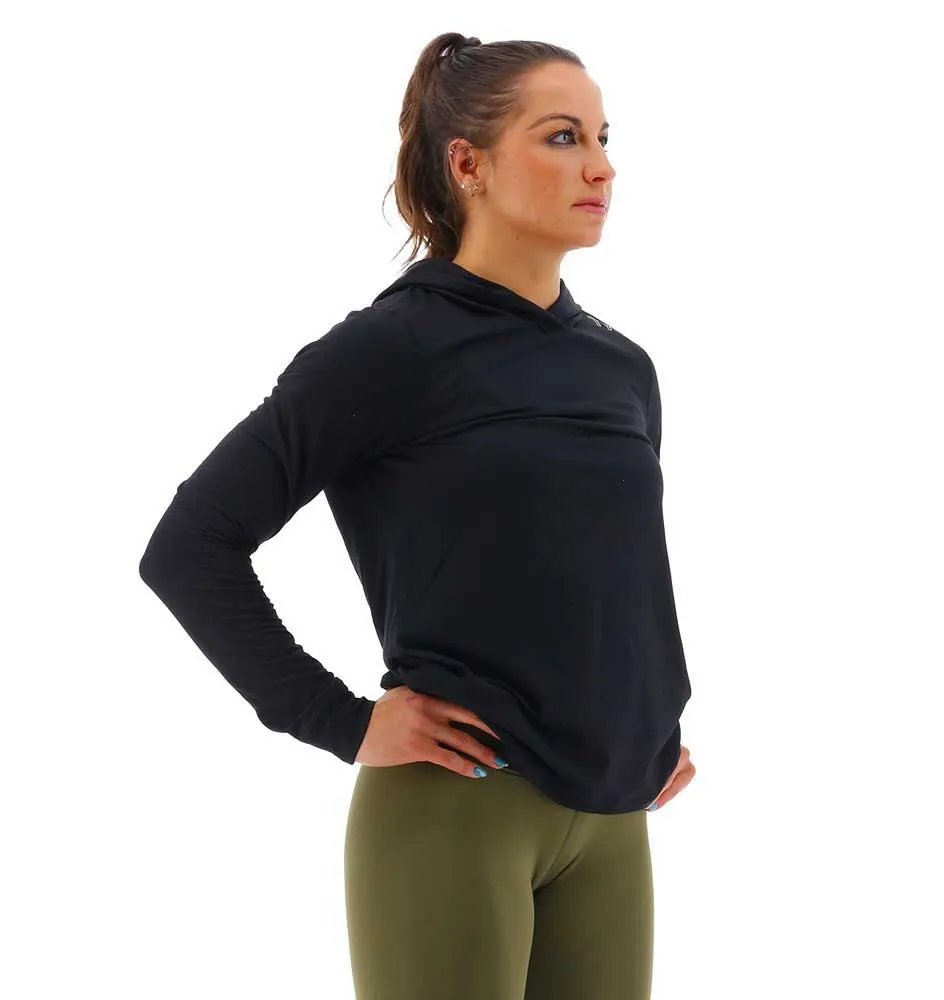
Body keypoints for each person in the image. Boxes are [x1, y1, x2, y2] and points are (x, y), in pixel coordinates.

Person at [138, 31, 695, 1000]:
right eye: (562, 136)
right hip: (455, 809)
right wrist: (338, 719)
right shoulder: (388, 350)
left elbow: (606, 571)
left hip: (614, 817)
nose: (601, 167)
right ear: (467, 164)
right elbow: (190, 546)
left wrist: (644, 724)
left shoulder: (621, 369)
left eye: (605, 137)